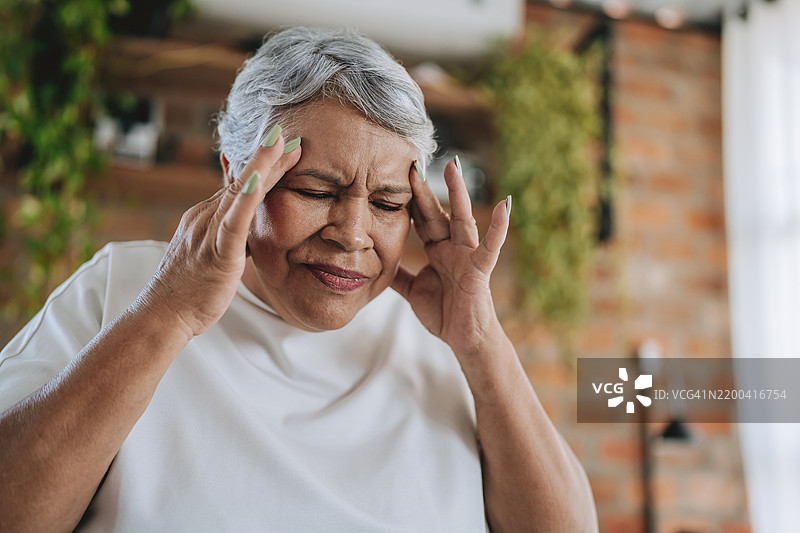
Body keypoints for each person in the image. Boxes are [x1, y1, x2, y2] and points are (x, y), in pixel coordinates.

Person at [0, 27, 596, 532]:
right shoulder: (127, 285)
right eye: (316, 191)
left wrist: (482, 343)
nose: (353, 233)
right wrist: (169, 314)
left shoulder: (443, 338)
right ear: (236, 172)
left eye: (388, 204)